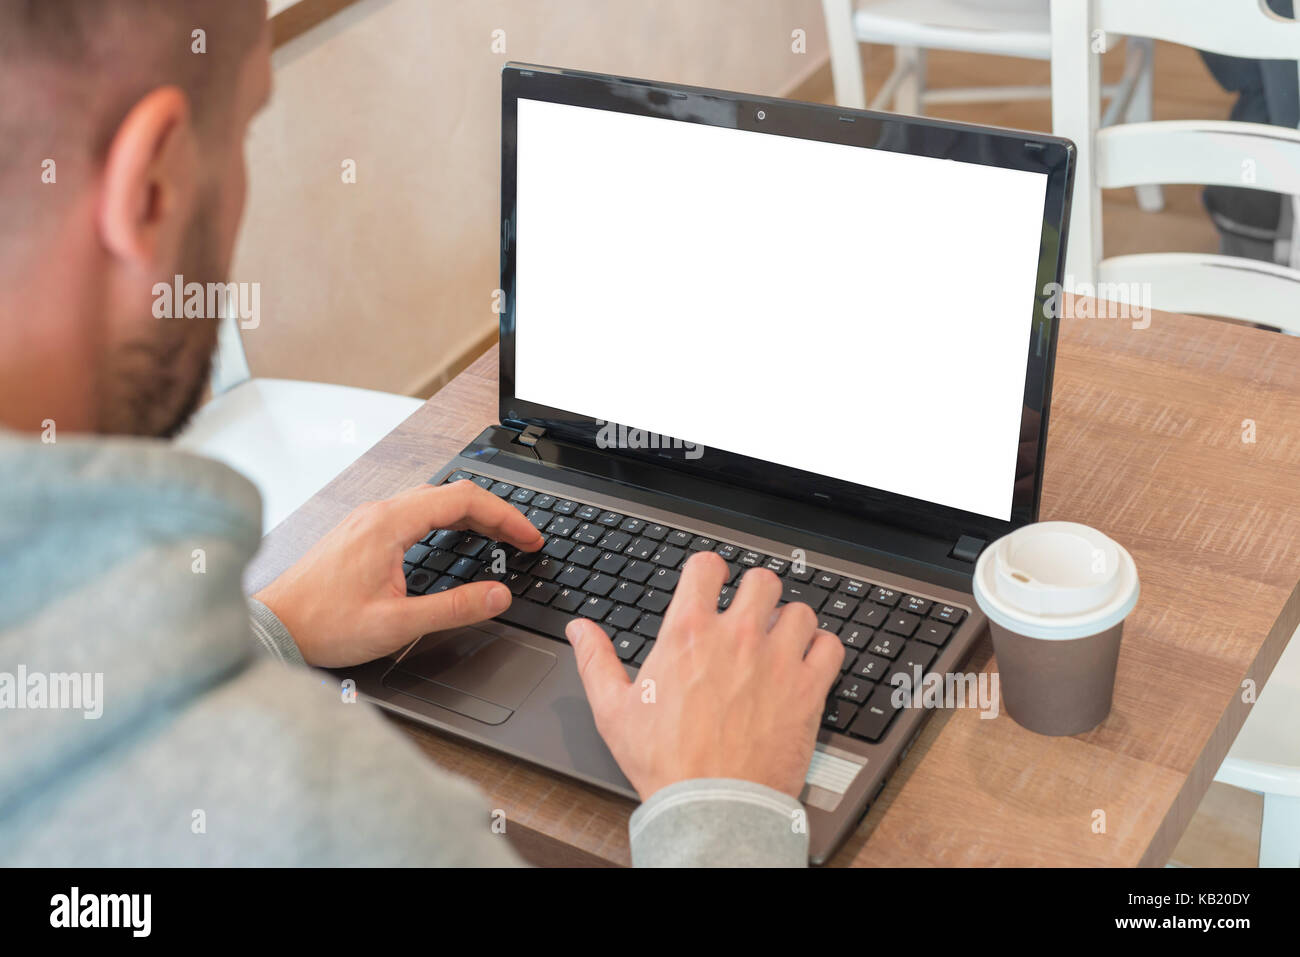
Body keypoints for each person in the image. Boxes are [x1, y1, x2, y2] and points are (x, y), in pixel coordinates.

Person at [0, 0, 842, 866]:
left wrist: (269, 632)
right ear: (151, 186)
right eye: (245, 128)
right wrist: (720, 807)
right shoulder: (338, 819)